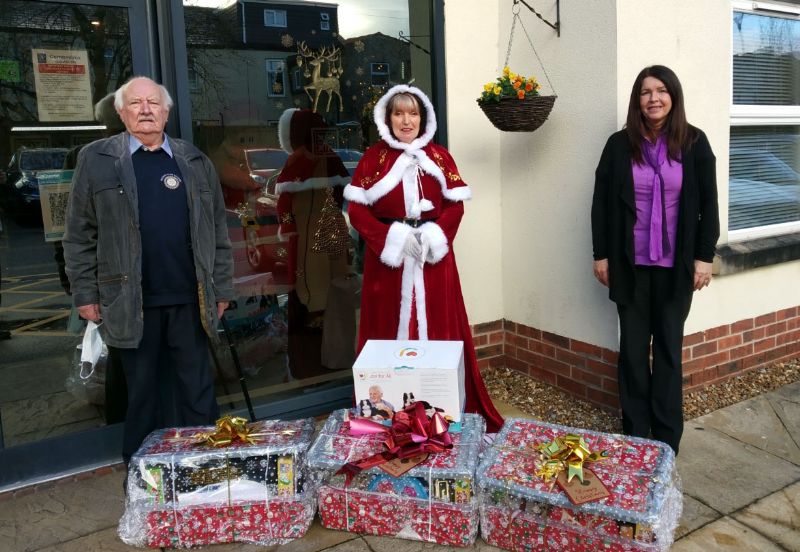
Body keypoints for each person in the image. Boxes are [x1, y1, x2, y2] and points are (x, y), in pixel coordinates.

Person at [63, 76, 234, 465]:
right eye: (136, 103)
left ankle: (204, 469)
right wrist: (86, 295)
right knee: (143, 395)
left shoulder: (193, 160)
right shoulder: (97, 159)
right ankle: (144, 475)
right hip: (128, 301)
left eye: (153, 103)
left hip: (191, 298)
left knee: (197, 390)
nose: (145, 110)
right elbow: (77, 234)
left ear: (166, 111)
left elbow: (217, 233)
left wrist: (222, 289)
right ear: (121, 112)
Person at [344, 84, 504, 433]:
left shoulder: (440, 157)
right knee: (388, 331)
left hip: (433, 264)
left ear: (423, 118)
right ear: (387, 118)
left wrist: (434, 236)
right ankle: (392, 415)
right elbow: (357, 211)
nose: (406, 120)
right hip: (388, 266)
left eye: (413, 113)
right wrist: (393, 239)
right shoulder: (374, 159)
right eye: (399, 113)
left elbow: (455, 206)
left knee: (439, 328)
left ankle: (440, 412)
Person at [591, 65, 719, 454]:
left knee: (667, 350)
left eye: (661, 90)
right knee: (632, 351)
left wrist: (703, 257)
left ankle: (665, 439)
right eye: (646, 92)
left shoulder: (695, 142)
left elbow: (709, 204)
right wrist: (602, 255)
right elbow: (600, 204)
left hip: (676, 268)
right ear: (637, 100)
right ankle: (635, 433)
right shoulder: (618, 145)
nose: (654, 99)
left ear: (673, 96)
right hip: (631, 266)